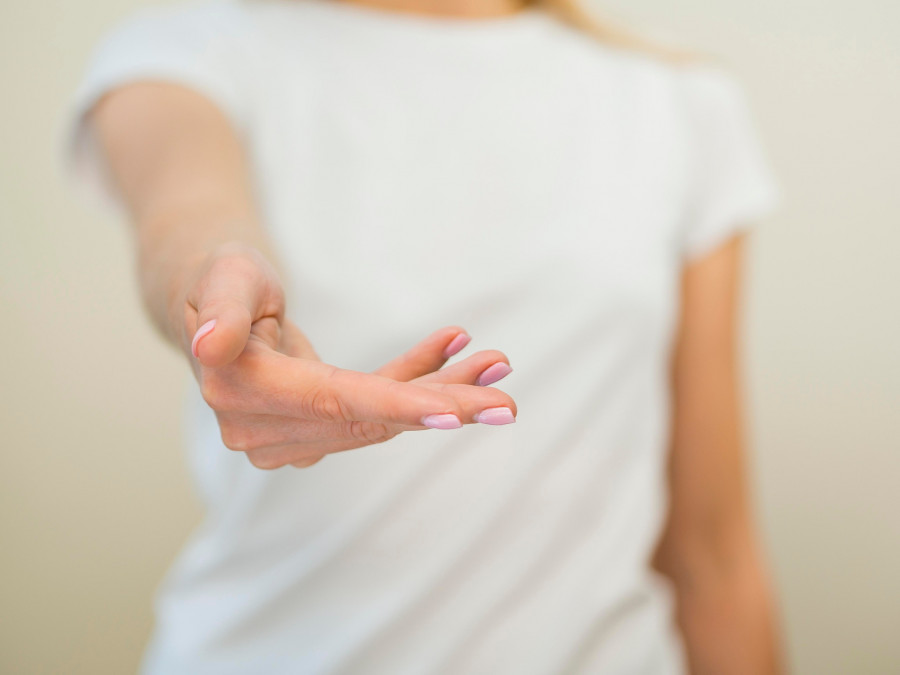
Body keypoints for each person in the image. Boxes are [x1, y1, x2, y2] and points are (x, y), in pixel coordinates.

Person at [66, 0, 785, 672]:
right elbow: (187, 215)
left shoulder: (675, 101)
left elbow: (711, 551)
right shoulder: (193, 46)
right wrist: (216, 288)